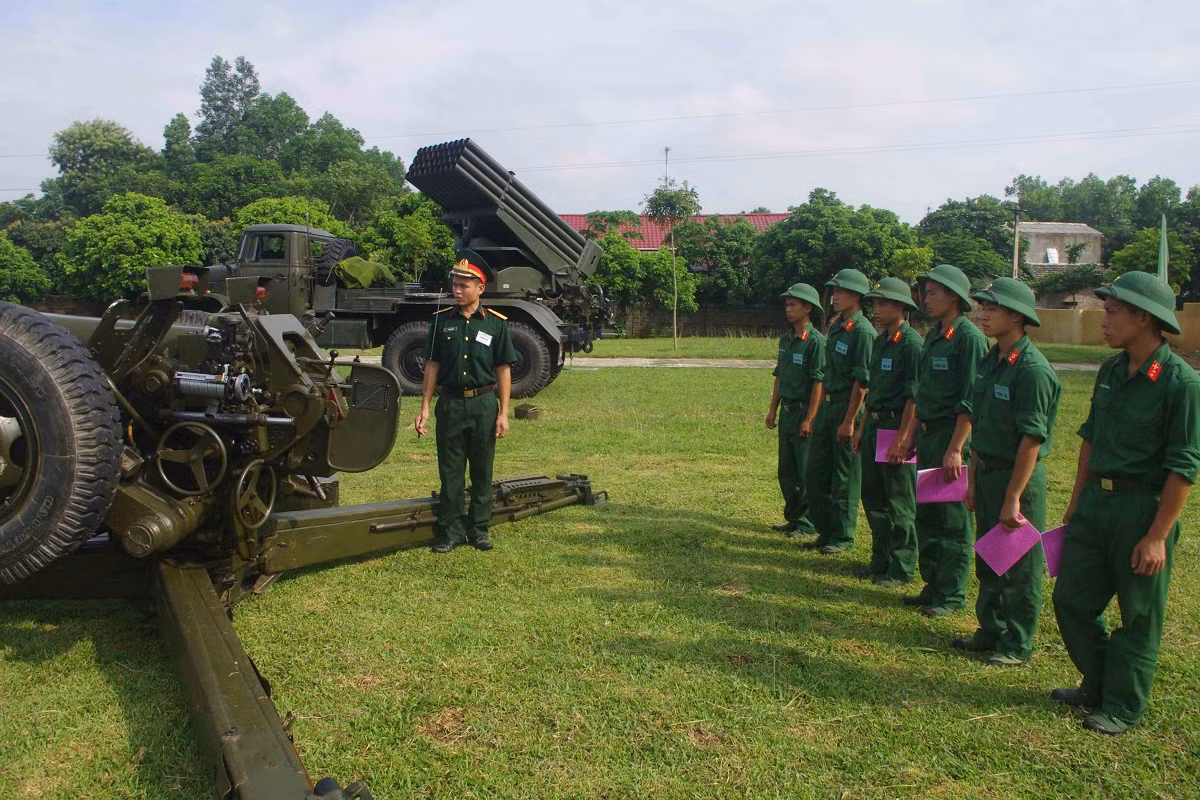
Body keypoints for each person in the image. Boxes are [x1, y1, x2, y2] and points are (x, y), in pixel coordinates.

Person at [1052, 271, 1200, 734]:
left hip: (1142, 509)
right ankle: (1096, 682)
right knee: (1071, 599)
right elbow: (1090, 442)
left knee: (1137, 615)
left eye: (1113, 311)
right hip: (1098, 503)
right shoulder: (1111, 372)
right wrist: (1076, 504)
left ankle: (1122, 703)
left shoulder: (1180, 383)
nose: (1104, 319)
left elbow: (1183, 466)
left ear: (1144, 318)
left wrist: (1157, 536)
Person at [958, 278, 1060, 667]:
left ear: (1017, 316)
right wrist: (972, 477)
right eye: (983, 308)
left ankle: (1017, 642)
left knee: (1018, 565)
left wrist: (1013, 497)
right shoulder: (991, 358)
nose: (983, 315)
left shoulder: (1032, 370)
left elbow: (1031, 440)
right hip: (985, 470)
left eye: (993, 309)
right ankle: (991, 630)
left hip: (1016, 477)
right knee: (989, 556)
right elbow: (980, 422)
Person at [896, 264, 988, 617]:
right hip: (930, 437)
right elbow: (922, 393)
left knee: (951, 521)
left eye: (933, 292)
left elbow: (969, 400)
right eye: (925, 291)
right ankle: (932, 584)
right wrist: (909, 435)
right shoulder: (935, 335)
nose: (925, 298)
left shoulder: (968, 339)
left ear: (953, 296)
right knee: (929, 516)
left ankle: (949, 594)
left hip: (952, 439)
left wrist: (955, 448)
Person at [414, 253, 517, 553]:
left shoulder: (496, 325)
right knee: (451, 470)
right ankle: (452, 531)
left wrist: (504, 413)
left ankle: (479, 529)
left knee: (482, 469)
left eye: (463, 285)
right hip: (449, 404)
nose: (457, 290)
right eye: (455, 285)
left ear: (480, 289)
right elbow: (431, 366)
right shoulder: (441, 321)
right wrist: (423, 408)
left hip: (483, 403)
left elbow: (503, 370)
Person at [854, 277, 922, 586]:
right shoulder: (881, 342)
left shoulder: (911, 344)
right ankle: (879, 560)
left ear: (901, 307)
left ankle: (902, 566)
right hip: (875, 426)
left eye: (883, 303)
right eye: (875, 303)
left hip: (896, 427)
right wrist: (861, 430)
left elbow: (913, 397)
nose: (876, 308)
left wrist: (904, 438)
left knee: (898, 500)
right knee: (874, 496)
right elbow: (874, 390)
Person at [804, 268, 873, 555]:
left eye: (840, 291)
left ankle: (842, 535)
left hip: (847, 406)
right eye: (834, 291)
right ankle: (826, 529)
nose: (835, 296)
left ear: (856, 295)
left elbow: (862, 381)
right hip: (828, 405)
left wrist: (849, 421)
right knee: (817, 471)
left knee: (844, 476)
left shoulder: (862, 331)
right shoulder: (835, 326)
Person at [766, 283, 826, 538]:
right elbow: (779, 376)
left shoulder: (816, 342)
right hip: (787, 413)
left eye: (793, 304)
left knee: (804, 470)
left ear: (808, 308)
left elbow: (818, 383)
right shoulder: (786, 339)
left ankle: (807, 522)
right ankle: (792, 517)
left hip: (803, 412)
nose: (788, 309)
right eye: (786, 304)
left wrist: (810, 418)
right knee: (787, 470)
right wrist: (772, 410)